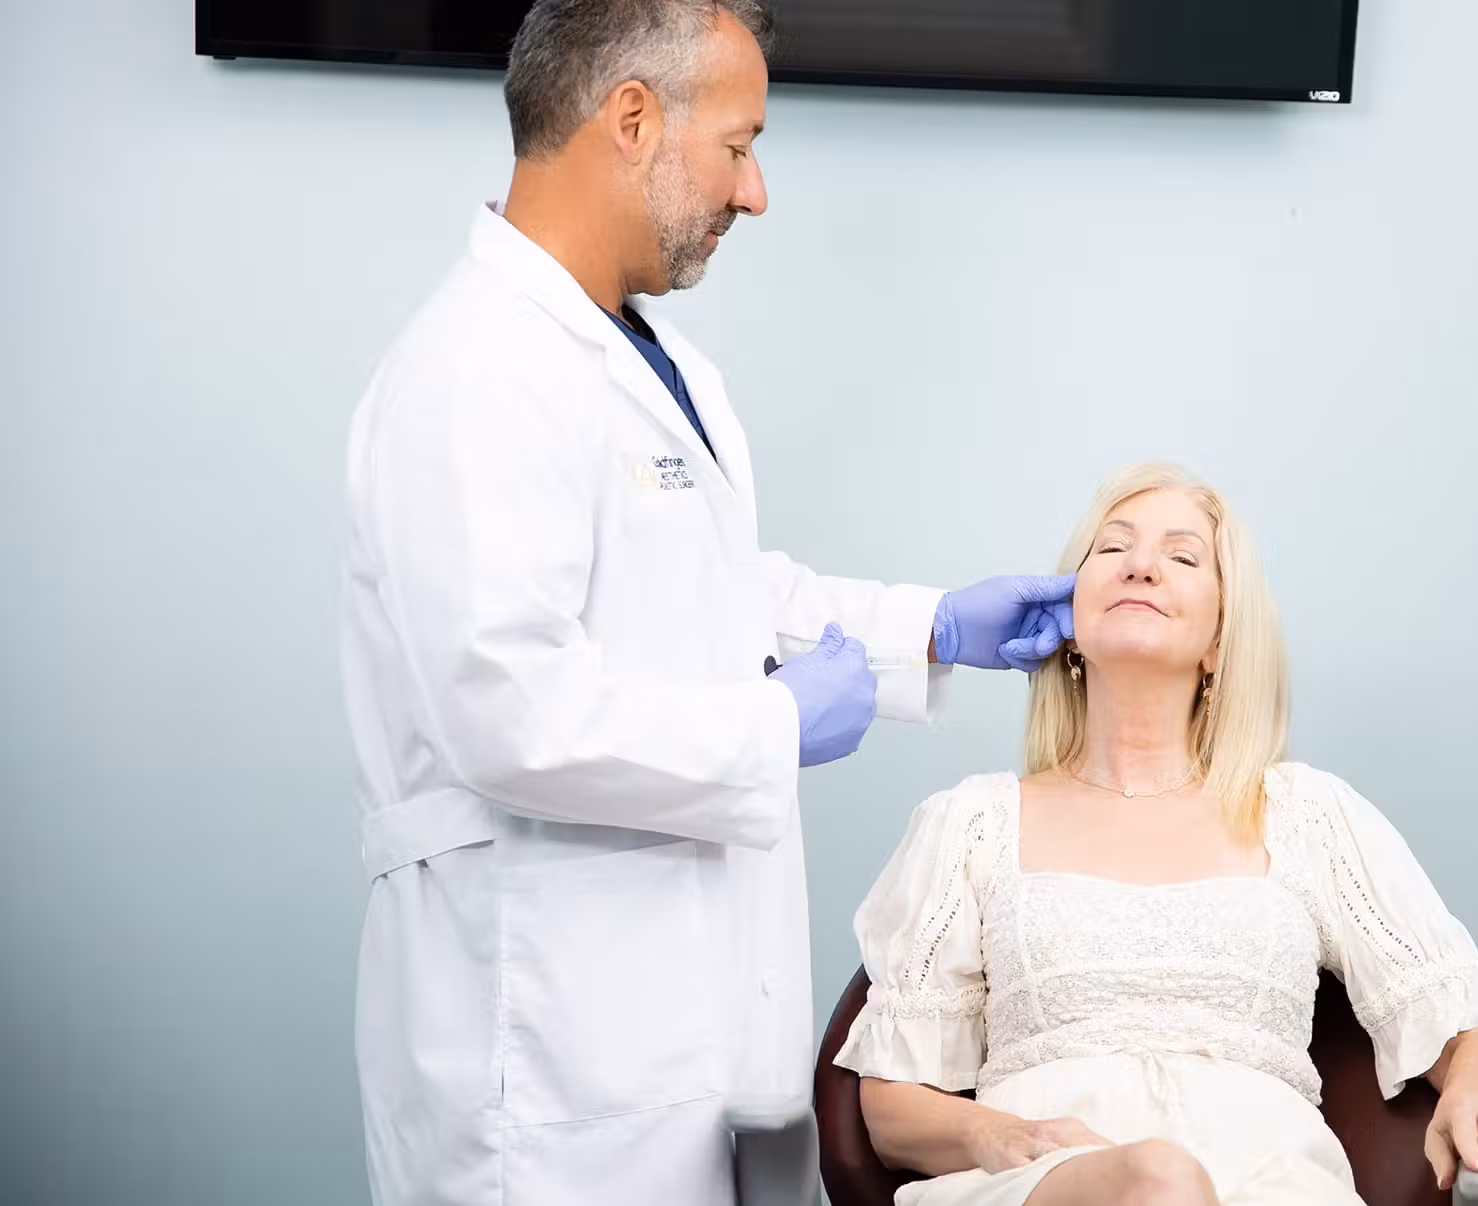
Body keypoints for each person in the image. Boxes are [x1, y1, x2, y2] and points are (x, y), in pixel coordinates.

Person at [340, 3, 1075, 1204]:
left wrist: (931, 628)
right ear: (632, 118)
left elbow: (717, 597)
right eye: (739, 145)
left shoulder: (636, 356)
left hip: (679, 1024)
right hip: (545, 1049)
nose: (756, 192)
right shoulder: (477, 373)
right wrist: (777, 726)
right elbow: (505, 709)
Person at [835, 464, 1478, 1206]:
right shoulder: (971, 825)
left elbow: (1470, 1030)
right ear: (1070, 629)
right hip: (1047, 1186)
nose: (1141, 564)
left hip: (1275, 1185)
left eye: (1183, 555)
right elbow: (892, 1111)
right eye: (1112, 549)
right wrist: (1004, 1138)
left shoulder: (1310, 817)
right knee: (1159, 1180)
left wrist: (1471, 1096)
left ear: (1219, 640)